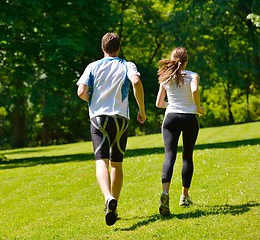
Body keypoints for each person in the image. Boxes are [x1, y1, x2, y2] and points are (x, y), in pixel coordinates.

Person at [76, 32, 146, 226]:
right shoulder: (126, 65)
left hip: (98, 119)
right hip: (121, 119)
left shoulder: (93, 66)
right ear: (119, 48)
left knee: (101, 162)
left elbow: (81, 91)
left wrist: (92, 99)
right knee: (117, 164)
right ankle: (113, 206)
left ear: (102, 48)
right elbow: (136, 82)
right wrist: (142, 109)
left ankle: (108, 197)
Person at [155, 47, 205, 217]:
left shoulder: (165, 77)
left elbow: (159, 103)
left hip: (171, 119)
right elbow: (195, 90)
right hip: (190, 118)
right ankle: (184, 196)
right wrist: (198, 108)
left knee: (169, 156)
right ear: (186, 61)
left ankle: (165, 193)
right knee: (187, 156)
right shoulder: (192, 75)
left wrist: (173, 106)